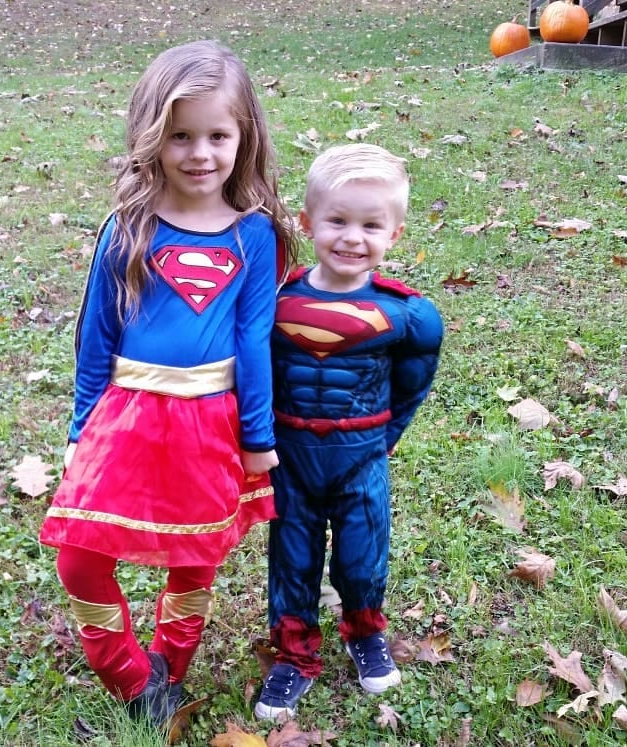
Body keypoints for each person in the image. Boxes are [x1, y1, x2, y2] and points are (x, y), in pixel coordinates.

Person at [39, 39, 296, 726]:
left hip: (209, 424)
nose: (200, 153)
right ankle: (133, 678)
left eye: (217, 135)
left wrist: (257, 439)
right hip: (124, 418)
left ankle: (168, 672)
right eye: (180, 136)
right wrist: (78, 431)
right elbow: (96, 339)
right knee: (79, 558)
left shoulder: (253, 235)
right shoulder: (127, 228)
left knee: (195, 555)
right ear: (153, 136)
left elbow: (252, 342)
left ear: (244, 138)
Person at [254, 143, 444, 720]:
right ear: (308, 223)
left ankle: (364, 633)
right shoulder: (272, 301)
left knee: (363, 557)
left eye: (370, 225)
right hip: (289, 457)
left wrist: (381, 441)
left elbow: (413, 384)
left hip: (361, 456)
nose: (351, 238)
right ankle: (293, 656)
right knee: (292, 559)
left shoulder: (408, 316)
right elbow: (251, 374)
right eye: (337, 220)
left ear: (395, 234)